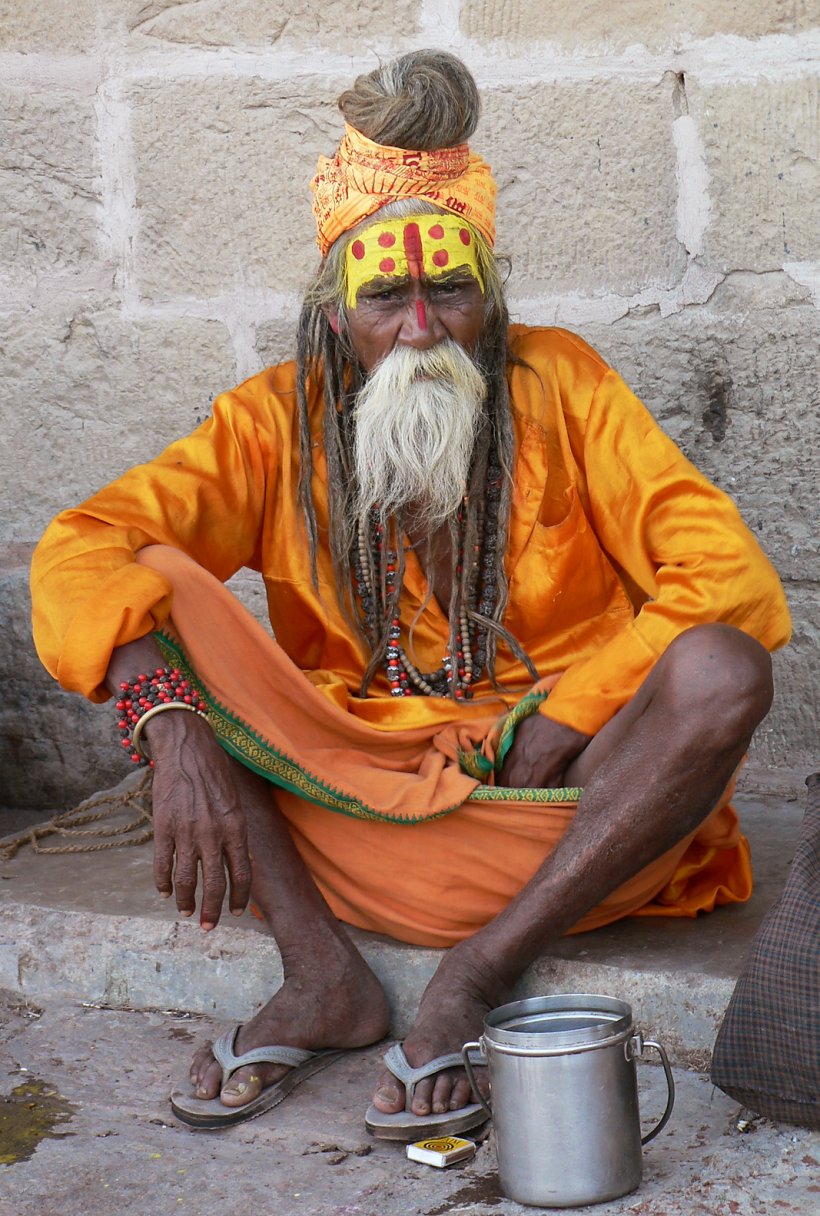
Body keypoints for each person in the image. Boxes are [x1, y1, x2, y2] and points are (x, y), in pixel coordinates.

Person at [30, 50, 790, 1138]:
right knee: (146, 592)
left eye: (452, 288)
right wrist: (170, 727)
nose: (423, 326)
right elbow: (82, 545)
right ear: (336, 313)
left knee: (722, 663)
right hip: (351, 819)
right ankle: (317, 971)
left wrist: (571, 712)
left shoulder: (561, 382)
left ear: (492, 293)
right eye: (386, 294)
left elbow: (734, 580)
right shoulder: (270, 420)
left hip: (571, 821)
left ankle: (474, 978)